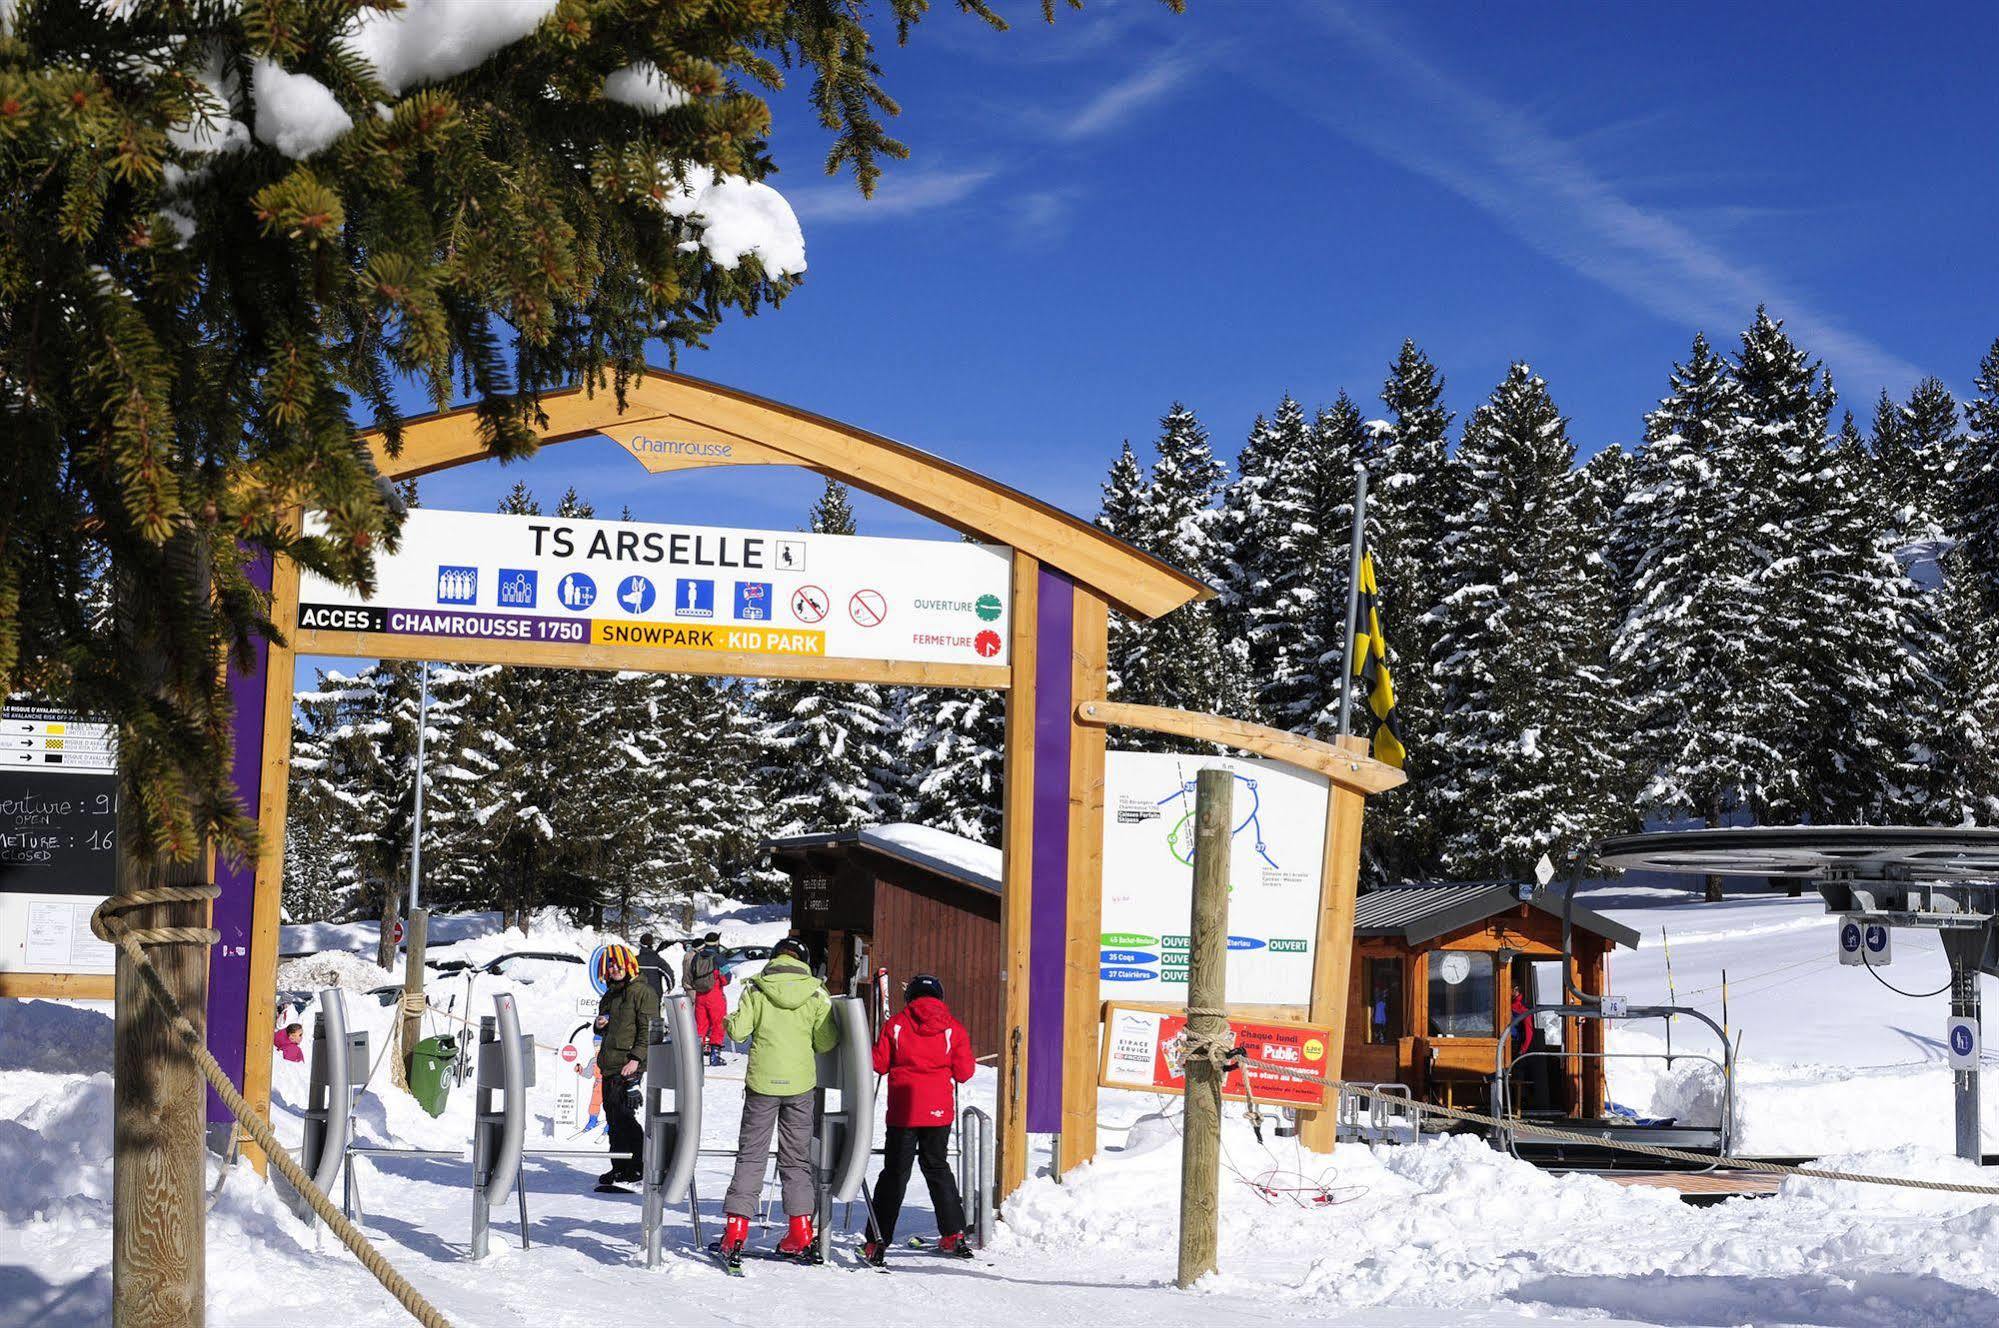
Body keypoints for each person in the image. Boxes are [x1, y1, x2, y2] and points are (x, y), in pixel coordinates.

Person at [718, 936, 839, 1262]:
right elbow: (827, 1041)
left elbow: (739, 1032)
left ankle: (735, 1231)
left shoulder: (756, 989)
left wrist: (729, 1019)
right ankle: (800, 1231)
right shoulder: (816, 992)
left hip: (762, 1086)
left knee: (751, 1156)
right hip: (800, 1087)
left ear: (774, 958)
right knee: (797, 1159)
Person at [861, 974, 976, 1265]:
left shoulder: (897, 1024)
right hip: (938, 1113)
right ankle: (953, 1233)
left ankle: (877, 1238)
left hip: (903, 1111)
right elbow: (964, 1072)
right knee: (938, 1168)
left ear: (909, 997)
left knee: (895, 1174)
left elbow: (879, 1064)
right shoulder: (953, 1027)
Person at [593, 943, 659, 1190]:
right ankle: (620, 1167)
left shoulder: (642, 992)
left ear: (629, 964)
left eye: (619, 965)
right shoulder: (611, 993)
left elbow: (648, 1031)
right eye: (610, 965)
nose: (615, 969)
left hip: (628, 1064)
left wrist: (636, 1060)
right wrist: (599, 1024)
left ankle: (638, 1166)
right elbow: (606, 1025)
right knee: (614, 1118)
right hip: (610, 1064)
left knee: (624, 1117)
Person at [682, 931, 730, 1067]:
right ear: (717, 943)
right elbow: (727, 978)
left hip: (700, 995)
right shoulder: (719, 958)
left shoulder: (696, 957)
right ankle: (715, 1055)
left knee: (700, 1025)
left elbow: (690, 975)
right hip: (715, 995)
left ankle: (696, 1055)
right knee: (718, 1024)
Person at [636, 932, 673, 1000]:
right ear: (651, 944)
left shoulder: (635, 960)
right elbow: (668, 973)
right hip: (654, 993)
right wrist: (670, 987)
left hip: (637, 993)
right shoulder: (658, 960)